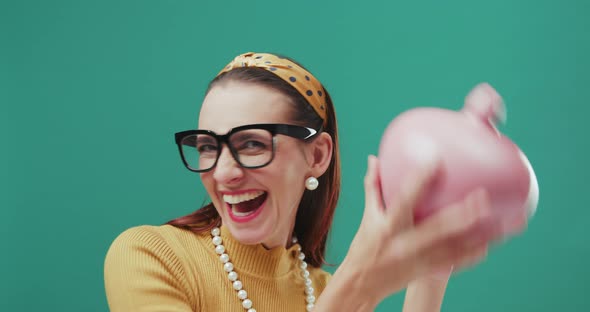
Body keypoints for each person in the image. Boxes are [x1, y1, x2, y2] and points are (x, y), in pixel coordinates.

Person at [104, 52, 500, 312]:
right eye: (208, 146)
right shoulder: (150, 258)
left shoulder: (326, 290)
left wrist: (430, 274)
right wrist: (357, 287)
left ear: (317, 156)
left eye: (253, 144)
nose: (224, 172)